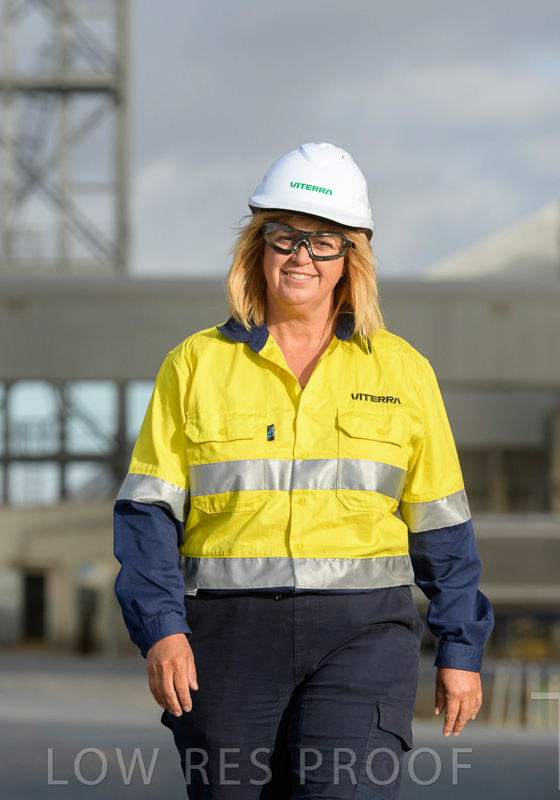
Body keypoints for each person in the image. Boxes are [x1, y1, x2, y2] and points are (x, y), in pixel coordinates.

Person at [113, 142, 494, 799]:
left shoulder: (403, 372)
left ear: (350, 259)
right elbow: (147, 515)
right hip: (229, 640)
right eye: (285, 237)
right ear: (258, 248)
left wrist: (461, 648)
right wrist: (162, 630)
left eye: (323, 242)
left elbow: (442, 527)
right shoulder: (194, 366)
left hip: (364, 637)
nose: (301, 257)